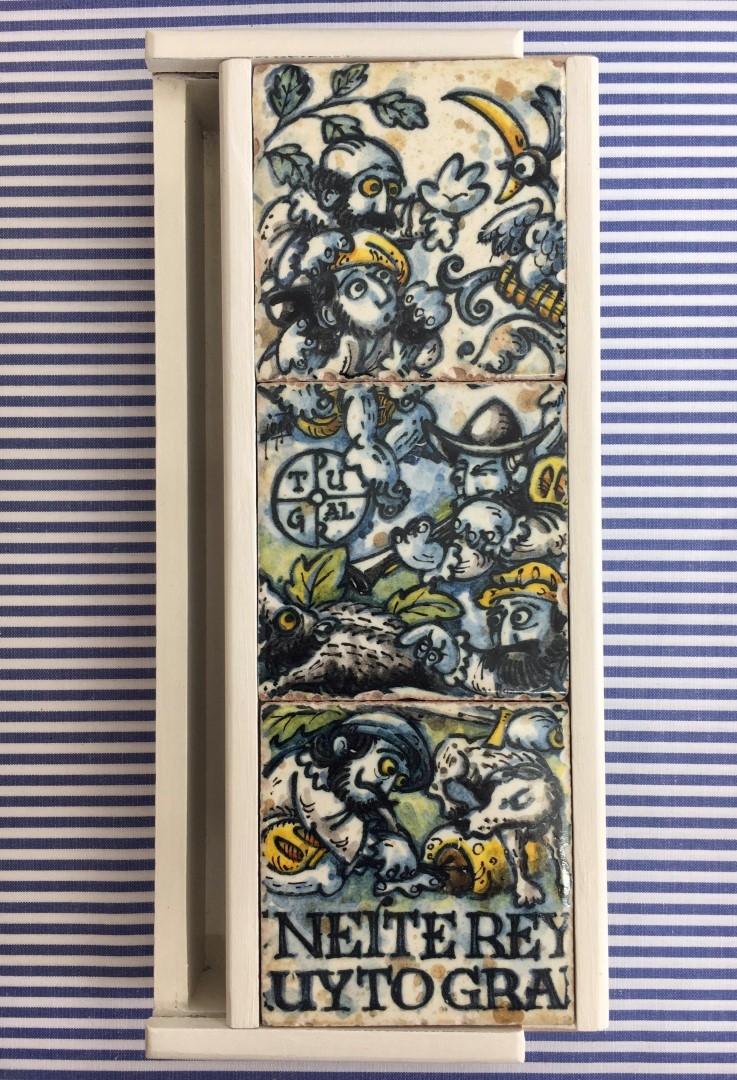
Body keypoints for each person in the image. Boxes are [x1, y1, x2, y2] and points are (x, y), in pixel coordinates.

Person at [261, 711, 433, 896]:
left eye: (399, 781)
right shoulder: (308, 771)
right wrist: (382, 849)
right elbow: (331, 822)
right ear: (344, 747)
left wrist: (397, 840)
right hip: (275, 845)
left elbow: (380, 816)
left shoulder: (358, 789)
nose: (386, 788)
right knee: (327, 872)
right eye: (387, 767)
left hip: (315, 851)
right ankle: (310, 879)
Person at [400, 561, 568, 696]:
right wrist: (454, 659)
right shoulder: (524, 675)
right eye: (497, 621)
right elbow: (489, 677)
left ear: (559, 617)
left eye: (521, 617)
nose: (505, 637)